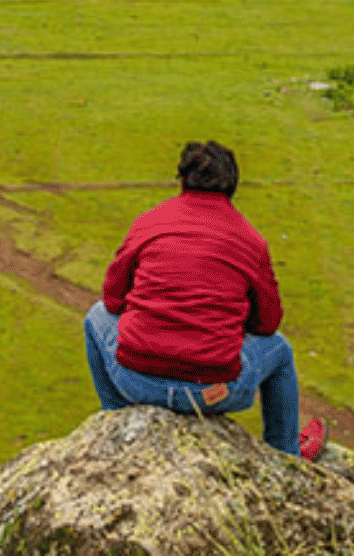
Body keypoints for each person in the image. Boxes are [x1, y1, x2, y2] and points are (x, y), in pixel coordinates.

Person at [82, 138, 325, 460]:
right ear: (233, 186)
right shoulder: (250, 240)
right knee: (280, 349)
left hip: (135, 382)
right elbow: (268, 323)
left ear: (182, 180)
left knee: (96, 315)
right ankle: (286, 452)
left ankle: (117, 423)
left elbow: (112, 300)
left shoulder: (149, 222)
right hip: (212, 393)